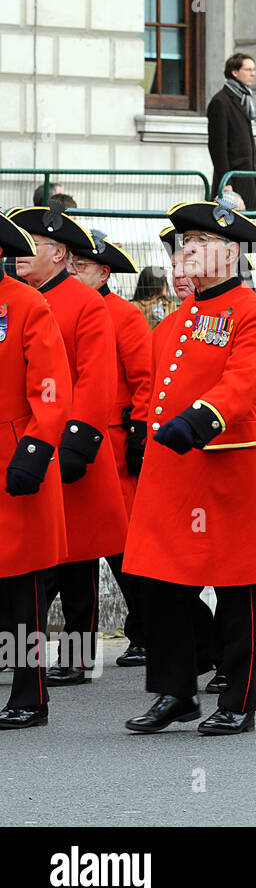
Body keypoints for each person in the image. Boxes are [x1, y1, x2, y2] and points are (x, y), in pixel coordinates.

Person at [120, 199, 256, 735]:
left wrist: (201, 418)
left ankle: (239, 699)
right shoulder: (177, 319)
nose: (186, 250)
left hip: (226, 464)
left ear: (231, 252)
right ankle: (176, 691)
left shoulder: (252, 310)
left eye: (199, 242)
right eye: (183, 243)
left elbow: (244, 381)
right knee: (161, 581)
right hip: (173, 469)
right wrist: (144, 434)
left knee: (236, 587)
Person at [9, 204, 129, 686]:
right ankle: (26, 655)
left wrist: (78, 441)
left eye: (33, 243)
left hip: (72, 448)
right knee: (42, 561)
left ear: (59, 253)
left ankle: (78, 656)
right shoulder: (21, 299)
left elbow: (96, 377)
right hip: (31, 443)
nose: (22, 252)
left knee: (77, 560)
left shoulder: (84, 303)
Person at [65, 232, 152, 669]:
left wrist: (139, 433)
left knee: (124, 548)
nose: (72, 271)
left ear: (104, 273)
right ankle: (78, 649)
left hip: (116, 442)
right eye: (71, 264)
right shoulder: (61, 307)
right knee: (76, 550)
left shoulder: (124, 315)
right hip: (77, 440)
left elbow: (143, 378)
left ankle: (145, 631)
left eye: (81, 266)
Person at [0, 212, 73, 729]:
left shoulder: (27, 303)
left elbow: (51, 386)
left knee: (21, 588)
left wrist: (34, 450)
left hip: (12, 455)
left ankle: (29, 697)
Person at [207, 53, 256, 211]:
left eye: (254, 69)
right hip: (232, 179)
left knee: (248, 226)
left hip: (248, 175)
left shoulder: (244, 99)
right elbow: (217, 148)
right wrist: (226, 183)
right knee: (228, 227)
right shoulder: (221, 102)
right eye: (248, 69)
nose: (253, 74)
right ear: (235, 72)